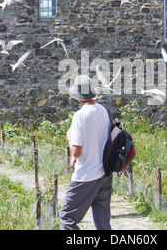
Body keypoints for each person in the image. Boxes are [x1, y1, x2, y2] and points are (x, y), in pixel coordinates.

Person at [59, 75, 113, 230]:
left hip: (86, 174)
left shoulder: (80, 115)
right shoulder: (105, 111)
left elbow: (76, 152)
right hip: (105, 173)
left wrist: (69, 137)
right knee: (102, 222)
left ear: (77, 97)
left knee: (67, 218)